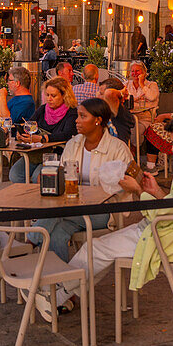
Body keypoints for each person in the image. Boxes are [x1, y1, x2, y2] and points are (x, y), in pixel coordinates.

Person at [34, 112, 173, 320]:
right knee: (99, 251)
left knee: (94, 248)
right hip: (166, 231)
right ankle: (60, 294)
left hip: (164, 239)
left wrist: (138, 191)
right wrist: (157, 191)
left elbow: (167, 214)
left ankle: (56, 296)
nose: (172, 149)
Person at [28, 98, 132, 261]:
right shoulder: (73, 144)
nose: (76, 120)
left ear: (97, 120)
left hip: (104, 210)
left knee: (54, 213)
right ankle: (60, 283)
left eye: (83, 116)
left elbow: (128, 186)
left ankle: (27, 244)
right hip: (72, 207)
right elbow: (61, 174)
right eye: (77, 115)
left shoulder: (117, 149)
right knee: (56, 233)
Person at [8, 77, 78, 183]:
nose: (49, 99)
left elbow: (67, 134)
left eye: (53, 96)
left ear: (64, 95)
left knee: (38, 177)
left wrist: (43, 138)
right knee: (15, 175)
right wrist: (22, 133)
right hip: (37, 152)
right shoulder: (43, 109)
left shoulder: (71, 112)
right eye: (47, 95)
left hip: (57, 154)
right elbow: (29, 124)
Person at [127, 60, 160, 168]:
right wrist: (138, 99)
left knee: (136, 129)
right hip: (129, 116)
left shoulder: (152, 85)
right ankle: (128, 157)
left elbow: (151, 97)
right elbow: (125, 101)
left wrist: (141, 85)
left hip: (145, 117)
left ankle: (132, 154)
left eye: (137, 71)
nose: (134, 73)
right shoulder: (126, 85)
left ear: (144, 73)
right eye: (132, 71)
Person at [99, 77, 135, 145]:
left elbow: (109, 93)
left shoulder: (121, 112)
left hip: (116, 153)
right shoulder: (104, 110)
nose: (98, 96)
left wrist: (122, 92)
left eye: (101, 94)